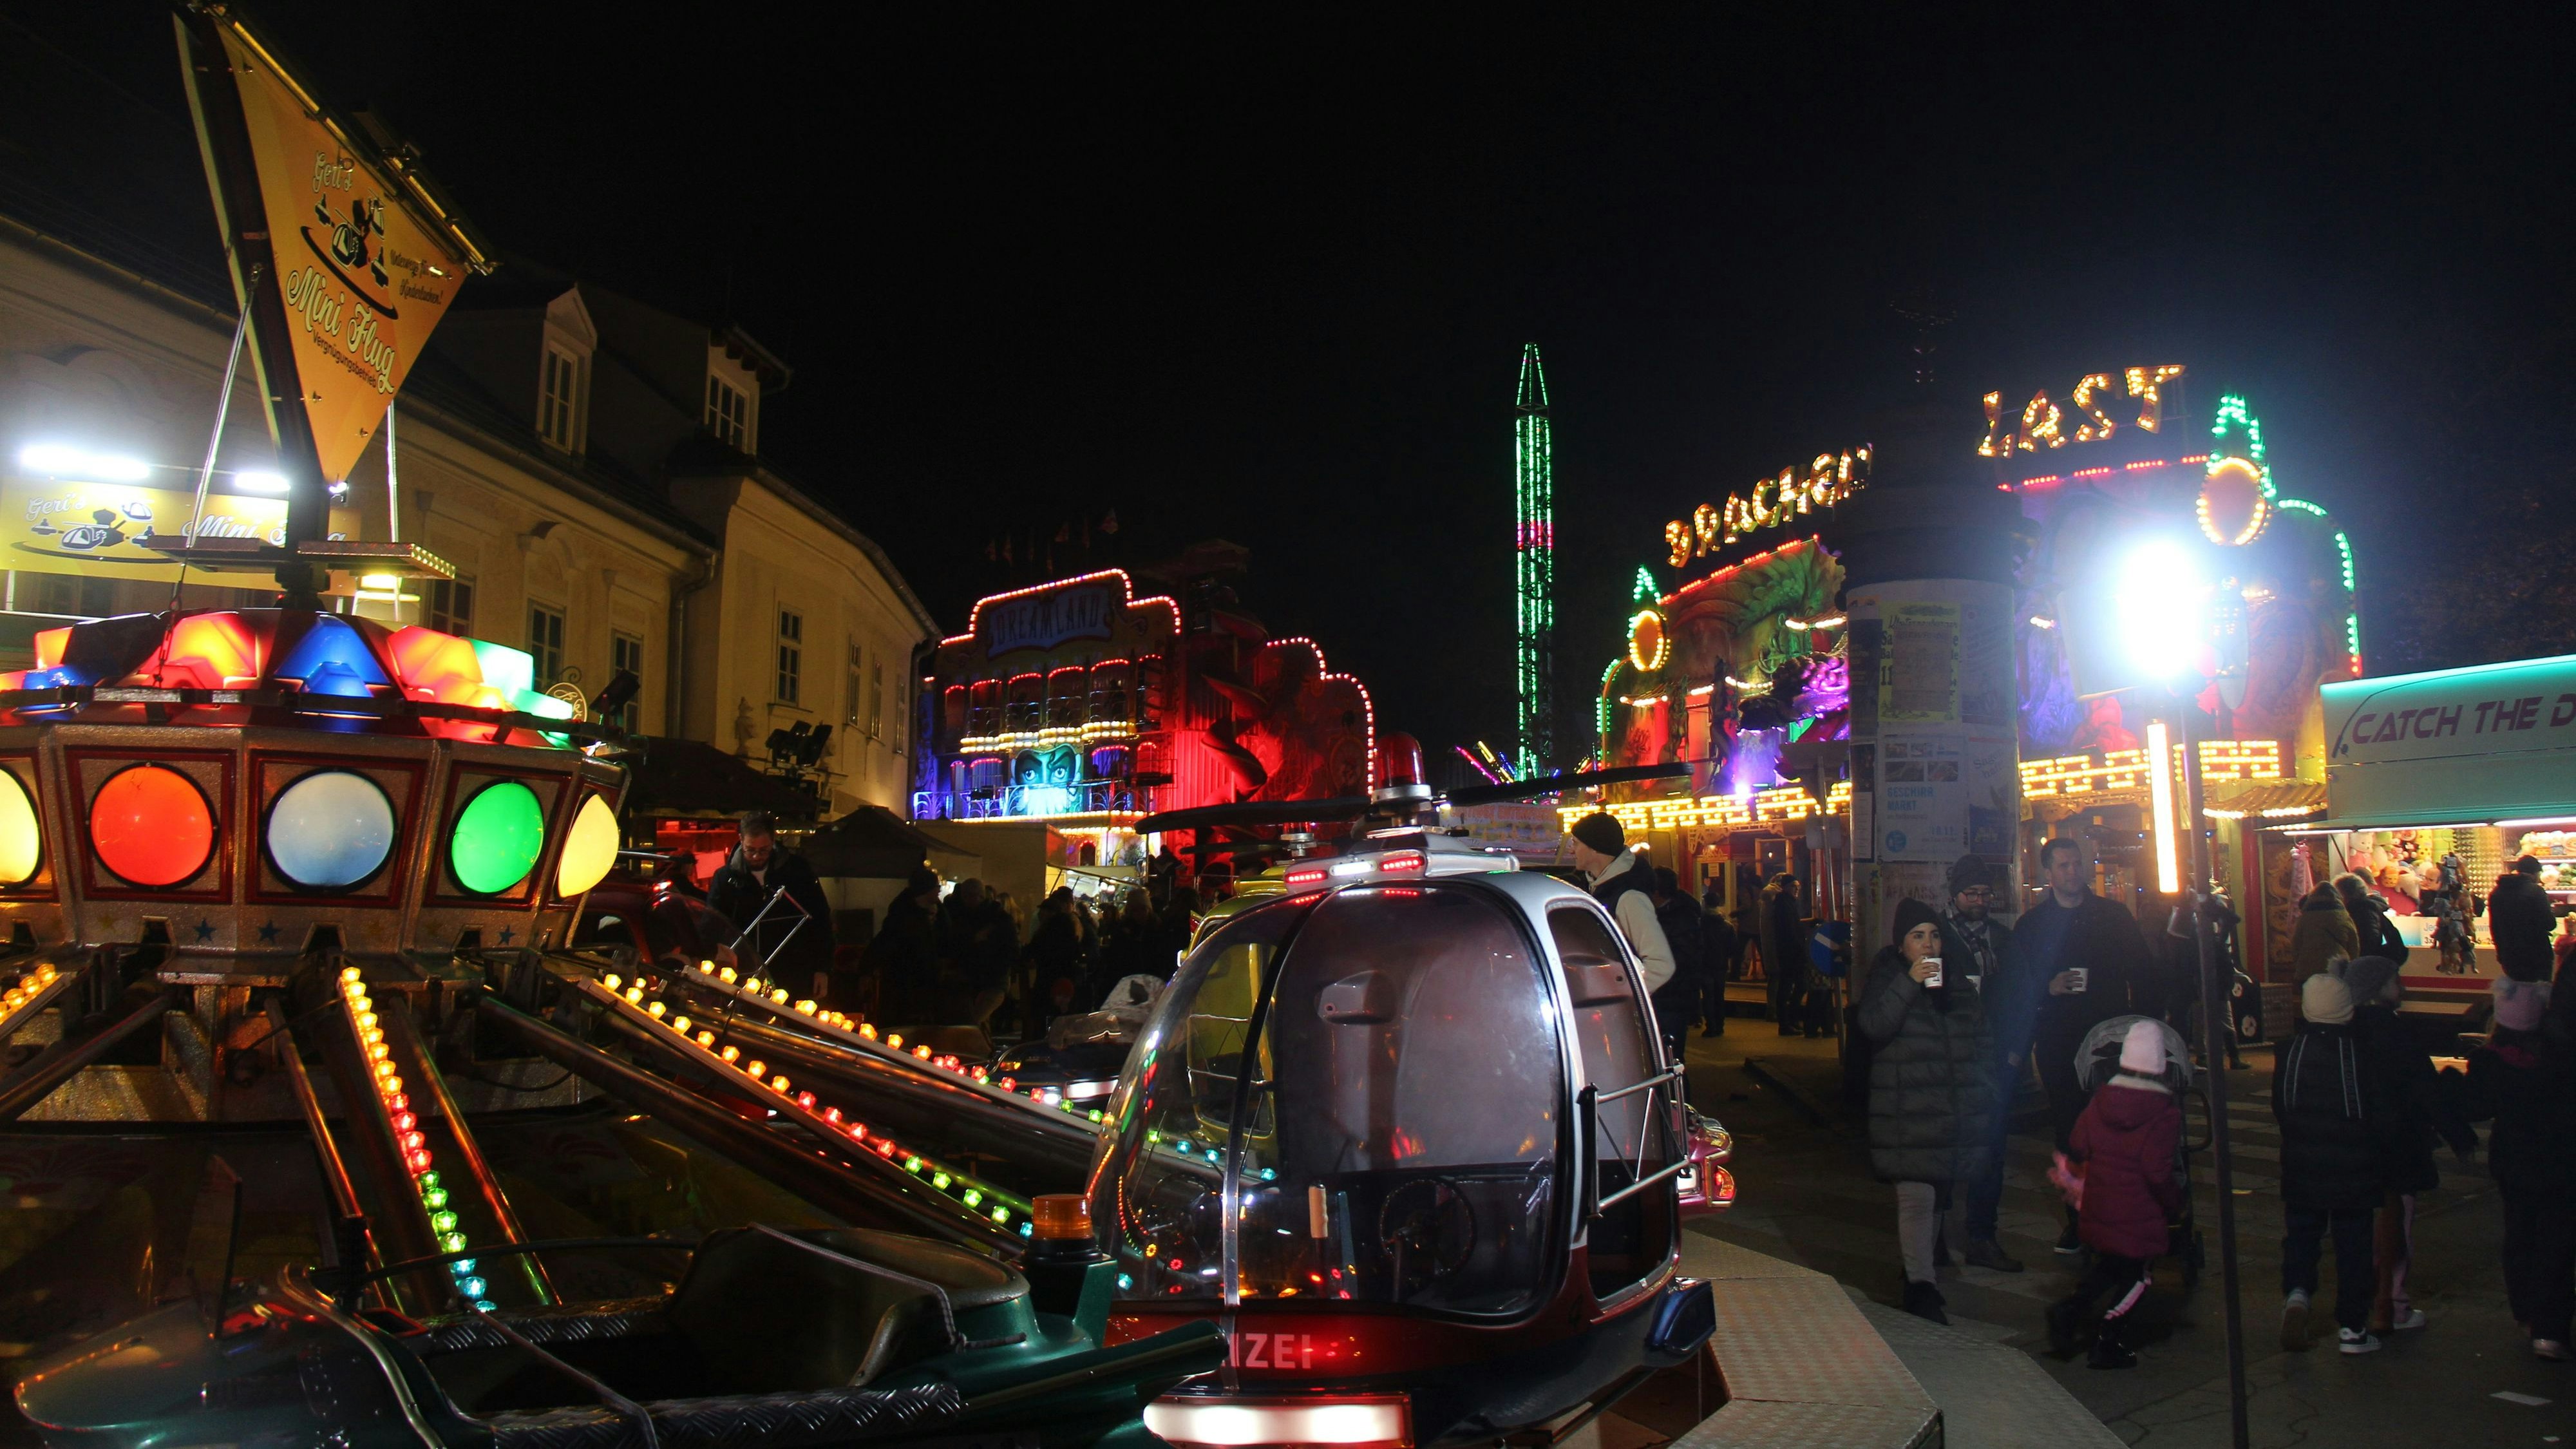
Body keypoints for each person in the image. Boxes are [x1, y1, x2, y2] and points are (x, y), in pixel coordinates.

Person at [2012, 835, 2155, 1255]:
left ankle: (2115, 1216)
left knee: (2113, 1129)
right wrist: (2048, 987)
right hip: (2058, 1042)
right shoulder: (2033, 925)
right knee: (2069, 1129)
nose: (2073, 872)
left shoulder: (2113, 917)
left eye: (2077, 864)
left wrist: (2145, 1029)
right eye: (2063, 865)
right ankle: (2077, 1218)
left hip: (2110, 1041)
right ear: (2048, 872)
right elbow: (2017, 986)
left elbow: (2144, 973)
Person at [1857, 896, 1997, 1325]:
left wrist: (1983, 1087)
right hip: (1907, 1112)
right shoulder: (1888, 977)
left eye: (1934, 935)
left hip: (1949, 1112)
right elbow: (1874, 1026)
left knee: (1937, 1198)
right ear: (1902, 945)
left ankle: (1919, 1270)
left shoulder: (1956, 983)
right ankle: (1921, 1287)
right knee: (1917, 1197)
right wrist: (1909, 983)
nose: (1929, 945)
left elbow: (1980, 1037)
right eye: (1917, 936)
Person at [2046, 1021, 2184, 1369]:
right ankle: (2107, 1340)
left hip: (2100, 1203)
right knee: (2138, 1277)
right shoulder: (2163, 1114)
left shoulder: (2100, 1101)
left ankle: (2069, 1310)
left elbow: (2078, 1143)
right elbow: (2157, 1172)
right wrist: (2175, 1204)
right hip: (2138, 1210)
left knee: (2110, 1265)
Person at [2275, 973, 2401, 1355]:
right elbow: (2379, 1112)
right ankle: (2352, 1328)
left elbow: (2282, 1108)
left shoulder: (2289, 1051)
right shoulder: (2360, 1052)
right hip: (2353, 1169)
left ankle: (2297, 1296)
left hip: (2301, 1164)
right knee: (2353, 1247)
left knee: (2301, 1237)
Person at [2465, 978, 2576, 1361]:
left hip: (2512, 1160)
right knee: (2556, 1243)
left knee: (2519, 1234)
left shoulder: (2491, 1060)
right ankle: (2551, 1329)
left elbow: (2476, 1106)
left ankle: (2525, 1313)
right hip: (2559, 1158)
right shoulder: (2560, 1057)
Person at [2342, 955, 2437, 1336]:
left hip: (2356, 1147)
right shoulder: (2397, 1032)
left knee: (2362, 1229)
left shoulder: (2346, 1033)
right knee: (2398, 1224)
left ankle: (2365, 1305)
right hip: (2399, 1145)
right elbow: (2424, 1087)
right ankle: (2395, 1303)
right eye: (2395, 979)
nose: (2402, 985)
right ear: (2378, 987)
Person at [1941, 858, 2023, 1273]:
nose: (1978, 901)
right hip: (1947, 1062)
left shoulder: (2003, 940)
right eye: (1971, 893)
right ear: (1954, 895)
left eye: (1985, 894)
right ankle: (1933, 1241)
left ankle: (1982, 1237)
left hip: (1993, 1062)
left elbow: (2019, 996)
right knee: (1940, 1152)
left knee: (1990, 1152)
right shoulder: (1937, 939)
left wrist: (2015, 1051)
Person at [705, 811, 834, 994]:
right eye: (750, 850)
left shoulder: (798, 871)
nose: (756, 856)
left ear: (773, 841)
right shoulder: (725, 878)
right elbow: (712, 923)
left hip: (793, 970)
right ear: (741, 840)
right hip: (743, 972)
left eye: (764, 850)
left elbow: (820, 918)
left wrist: (822, 969)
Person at [1567, 814, 1679, 1006]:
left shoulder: (1629, 898)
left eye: (1576, 843)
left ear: (1595, 847)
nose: (1571, 850)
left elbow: (1661, 965)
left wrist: (1621, 998)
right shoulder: (1596, 887)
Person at [865, 867, 942, 1024]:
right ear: (927, 889)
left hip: (922, 985)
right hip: (907, 986)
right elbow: (888, 944)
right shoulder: (903, 919)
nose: (939, 891)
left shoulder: (933, 912)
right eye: (937, 887)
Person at [1651, 867, 1709, 1061]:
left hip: (1672, 994)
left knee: (1671, 1054)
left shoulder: (1677, 917)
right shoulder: (1678, 913)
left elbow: (1685, 958)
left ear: (1656, 891)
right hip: (1672, 992)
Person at [1025, 887, 1086, 1028]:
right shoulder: (1069, 925)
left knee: (1045, 1015)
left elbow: (1033, 950)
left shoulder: (1047, 930)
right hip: (1066, 978)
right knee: (1061, 1017)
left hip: (1048, 977)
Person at [1762, 874, 1814, 1036]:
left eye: (1798, 886)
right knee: (1791, 987)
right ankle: (1787, 1022)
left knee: (1792, 986)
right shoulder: (1783, 904)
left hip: (1790, 952)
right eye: (1793, 886)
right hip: (1790, 953)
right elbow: (1788, 930)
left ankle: (1790, 1021)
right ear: (1784, 887)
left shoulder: (1787, 903)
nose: (1797, 889)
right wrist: (1799, 947)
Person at [2491, 856, 2557, 983]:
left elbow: (2495, 927)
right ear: (2535, 873)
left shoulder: (2496, 893)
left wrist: (2501, 953)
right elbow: (2550, 924)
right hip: (2537, 955)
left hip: (2510, 955)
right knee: (2539, 991)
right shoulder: (2535, 891)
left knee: (2517, 990)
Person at [2289, 882, 2359, 987]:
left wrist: (2300, 963)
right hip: (2337, 968)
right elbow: (2354, 945)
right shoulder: (2343, 916)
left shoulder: (2305, 917)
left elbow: (2296, 944)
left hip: (2308, 969)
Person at [2336, 873, 2409, 969]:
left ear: (2344, 894)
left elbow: (2368, 942)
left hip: (2364, 966)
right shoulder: (2370, 908)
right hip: (2370, 964)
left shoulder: (2360, 911)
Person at [1700, 888, 1738, 1037]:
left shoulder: (1700, 924)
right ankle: (1720, 1025)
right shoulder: (1727, 926)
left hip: (1705, 964)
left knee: (1708, 996)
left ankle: (1711, 1026)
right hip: (1721, 964)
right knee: (1719, 995)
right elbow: (1733, 948)